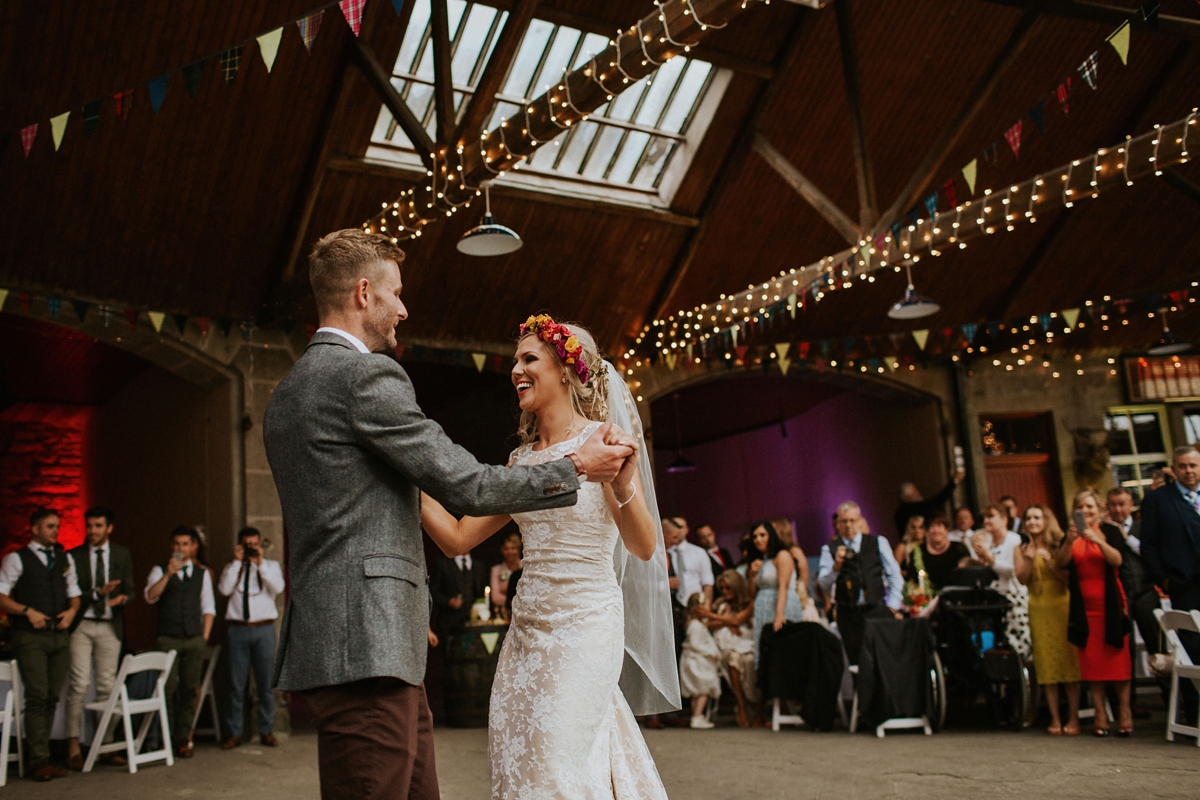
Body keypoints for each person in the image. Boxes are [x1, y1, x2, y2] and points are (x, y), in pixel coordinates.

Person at [263, 233, 636, 799]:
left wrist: (406, 608)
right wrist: (574, 467)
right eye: (396, 293)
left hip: (370, 637)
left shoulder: (288, 392)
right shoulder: (364, 377)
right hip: (367, 645)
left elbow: (352, 509)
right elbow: (467, 485)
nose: (404, 308)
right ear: (365, 293)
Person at [418, 314, 677, 799]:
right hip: (526, 632)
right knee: (523, 758)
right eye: (515, 360)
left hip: (586, 623)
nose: (515, 369)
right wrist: (408, 481)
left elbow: (643, 547)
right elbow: (456, 538)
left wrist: (621, 485)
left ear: (565, 369)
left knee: (557, 761)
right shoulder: (522, 463)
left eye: (528, 358)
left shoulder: (605, 442)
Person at [0, 508, 81, 781]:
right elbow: (1, 597)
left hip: (59, 635)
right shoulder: (16, 559)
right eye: (49, 526)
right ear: (34, 529)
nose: (55, 531)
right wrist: (26, 611)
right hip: (30, 636)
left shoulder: (64, 558)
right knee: (36, 696)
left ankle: (43, 755)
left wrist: (71, 612)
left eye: (57, 526)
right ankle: (38, 761)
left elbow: (75, 595)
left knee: (51, 697)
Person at [1056, 488, 1133, 736]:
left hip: (1110, 604)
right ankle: (1100, 713)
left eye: (1090, 507)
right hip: (1084, 608)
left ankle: (1124, 711)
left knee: (1118, 661)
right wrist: (1070, 540)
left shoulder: (1110, 531)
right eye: (1080, 507)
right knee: (1092, 664)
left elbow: (1117, 560)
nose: (1086, 511)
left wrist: (1098, 540)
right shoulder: (1071, 535)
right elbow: (1061, 562)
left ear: (1098, 509)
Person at [65, 507, 134, 770]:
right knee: (80, 685)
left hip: (109, 626)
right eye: (89, 526)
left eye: (97, 526)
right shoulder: (74, 555)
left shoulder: (121, 553)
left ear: (109, 528)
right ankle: (73, 747)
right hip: (82, 625)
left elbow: (131, 589)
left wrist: (122, 599)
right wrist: (97, 593)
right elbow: (70, 594)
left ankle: (104, 745)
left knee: (107, 686)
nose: (92, 531)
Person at [1140, 445, 1200, 722]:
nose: (1189, 471)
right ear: (1174, 469)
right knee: (1190, 647)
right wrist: (1164, 578)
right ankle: (1195, 711)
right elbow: (1148, 545)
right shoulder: (1157, 500)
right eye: (1183, 466)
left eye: (1194, 465)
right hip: (1185, 586)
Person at [145, 526, 215, 757]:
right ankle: (164, 738)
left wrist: (203, 637)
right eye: (177, 544)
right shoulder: (159, 570)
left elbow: (208, 608)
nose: (180, 548)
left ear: (192, 547)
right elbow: (150, 596)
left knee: (189, 689)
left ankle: (183, 739)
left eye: (185, 544)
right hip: (168, 638)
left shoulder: (201, 573)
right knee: (167, 689)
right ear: (171, 546)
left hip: (193, 638)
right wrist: (167, 574)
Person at [1014, 504, 1081, 735]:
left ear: (1046, 520)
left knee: (1068, 661)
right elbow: (1022, 579)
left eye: (1036, 517)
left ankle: (1073, 716)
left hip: (1061, 605)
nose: (1032, 522)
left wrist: (1050, 564)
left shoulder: (1058, 543)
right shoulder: (1021, 548)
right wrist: (1031, 559)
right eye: (1028, 518)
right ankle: (1054, 718)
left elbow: (1068, 580)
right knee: (1046, 664)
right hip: (1037, 607)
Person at [218, 527, 286, 750]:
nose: (251, 548)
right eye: (246, 544)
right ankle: (235, 732)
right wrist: (237, 563)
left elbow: (278, 588)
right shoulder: (232, 568)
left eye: (254, 544)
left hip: (264, 630)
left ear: (260, 544)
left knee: (266, 683)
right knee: (236, 685)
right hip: (238, 630)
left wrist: (260, 564)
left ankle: (267, 730)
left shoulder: (271, 566)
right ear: (239, 545)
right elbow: (224, 590)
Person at [818, 501, 904, 663]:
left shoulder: (877, 542)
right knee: (856, 661)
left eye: (852, 520)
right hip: (848, 614)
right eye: (844, 521)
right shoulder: (829, 549)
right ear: (837, 524)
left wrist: (892, 605)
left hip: (876, 609)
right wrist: (836, 567)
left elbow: (894, 574)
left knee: (883, 659)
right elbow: (823, 584)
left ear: (860, 521)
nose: (848, 525)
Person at [1106, 486, 1161, 713]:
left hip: (1146, 592)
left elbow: (1150, 554)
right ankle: (1128, 705)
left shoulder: (1143, 528)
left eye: (1122, 504)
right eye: (1114, 505)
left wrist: (1125, 537)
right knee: (1123, 652)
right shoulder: (1104, 531)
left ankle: (1172, 699)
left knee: (1158, 647)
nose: (1118, 509)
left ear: (1131, 505)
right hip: (1121, 595)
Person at [970, 505, 1031, 662]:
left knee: (1021, 648)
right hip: (994, 601)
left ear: (1004, 520)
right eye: (985, 517)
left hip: (1013, 600)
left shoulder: (1013, 539)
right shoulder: (988, 541)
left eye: (991, 516)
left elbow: (1013, 571)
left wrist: (989, 558)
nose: (986, 520)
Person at [702, 570, 756, 727]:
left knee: (750, 659)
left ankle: (756, 709)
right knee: (733, 658)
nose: (724, 592)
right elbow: (707, 624)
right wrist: (726, 621)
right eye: (722, 588)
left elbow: (738, 620)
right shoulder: (720, 605)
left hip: (747, 643)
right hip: (727, 647)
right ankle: (741, 706)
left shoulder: (749, 603)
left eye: (728, 588)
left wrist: (726, 620)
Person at [747, 521, 805, 660]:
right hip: (763, 608)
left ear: (771, 536)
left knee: (785, 648)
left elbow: (783, 586)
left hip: (781, 605)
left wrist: (779, 615)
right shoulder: (761, 560)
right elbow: (752, 594)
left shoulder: (783, 555)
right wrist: (751, 575)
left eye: (762, 535)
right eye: (755, 536)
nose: (758, 539)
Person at [679, 593, 721, 729]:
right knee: (704, 688)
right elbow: (695, 644)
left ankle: (696, 715)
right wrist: (710, 653)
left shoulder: (698, 624)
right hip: (696, 662)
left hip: (697, 661)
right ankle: (697, 716)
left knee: (698, 691)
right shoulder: (695, 626)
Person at [900, 515, 970, 594]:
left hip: (956, 595)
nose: (936, 530)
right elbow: (912, 579)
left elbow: (968, 573)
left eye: (939, 526)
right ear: (928, 531)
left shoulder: (958, 548)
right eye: (932, 527)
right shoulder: (918, 551)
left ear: (946, 529)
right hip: (927, 598)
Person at [431, 551, 489, 634]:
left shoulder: (479, 566)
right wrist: (448, 601)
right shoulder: (443, 564)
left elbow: (483, 594)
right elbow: (433, 592)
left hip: (474, 625)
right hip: (449, 624)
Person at [893, 471, 964, 538]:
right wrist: (954, 481)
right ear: (906, 497)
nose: (918, 493)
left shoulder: (902, 510)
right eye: (914, 492)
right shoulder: (908, 510)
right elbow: (937, 501)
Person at [665, 517, 714, 609]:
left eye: (681, 527)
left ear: (687, 529)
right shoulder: (664, 553)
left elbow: (707, 583)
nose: (678, 530)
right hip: (672, 607)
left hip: (696, 605)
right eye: (675, 526)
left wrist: (706, 608)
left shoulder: (699, 552)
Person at [489, 533, 522, 614]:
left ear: (518, 549)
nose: (510, 552)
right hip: (504, 612)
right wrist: (515, 601)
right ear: (502, 550)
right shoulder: (496, 570)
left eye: (513, 548)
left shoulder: (527, 567)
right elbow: (495, 597)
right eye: (506, 549)